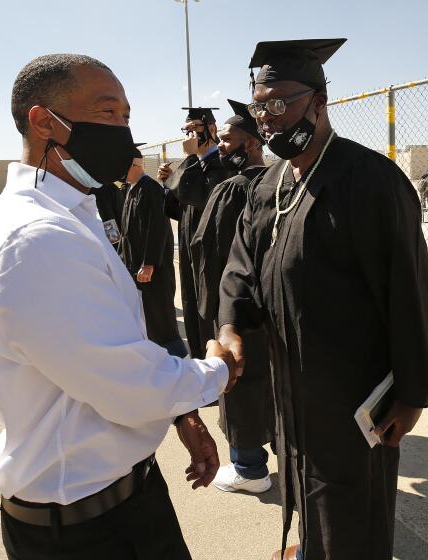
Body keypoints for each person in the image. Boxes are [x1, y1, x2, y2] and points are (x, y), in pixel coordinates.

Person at [0, 53, 241, 560]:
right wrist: (217, 371)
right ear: (44, 122)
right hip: (87, 531)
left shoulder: (64, 213)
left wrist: (180, 415)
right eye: (107, 113)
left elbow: (107, 352)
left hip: (113, 498)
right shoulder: (38, 238)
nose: (123, 131)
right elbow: (129, 387)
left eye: (127, 116)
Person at [218, 38, 428, 560]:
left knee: (350, 505)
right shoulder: (269, 184)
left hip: (353, 392)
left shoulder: (370, 181)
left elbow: (408, 291)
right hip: (292, 383)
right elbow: (241, 267)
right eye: (260, 107)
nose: (269, 118)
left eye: (280, 104)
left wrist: (412, 394)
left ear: (319, 101)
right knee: (302, 483)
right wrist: (230, 325)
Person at [190, 99, 275, 494]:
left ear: (252, 142)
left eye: (227, 139)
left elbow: (210, 252)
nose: (220, 146)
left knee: (240, 383)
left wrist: (215, 312)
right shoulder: (283, 180)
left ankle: (248, 468)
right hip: (276, 312)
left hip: (238, 313)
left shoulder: (234, 189)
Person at [159, 107, 232, 359]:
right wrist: (168, 185)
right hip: (191, 248)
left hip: (212, 253)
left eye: (194, 129)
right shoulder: (195, 165)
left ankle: (216, 364)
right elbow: (178, 210)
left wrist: (189, 160)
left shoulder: (221, 164)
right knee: (190, 305)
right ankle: (200, 362)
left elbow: (203, 198)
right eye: (186, 130)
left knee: (207, 308)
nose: (189, 136)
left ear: (211, 129)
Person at [118, 146, 186, 357]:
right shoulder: (132, 189)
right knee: (146, 316)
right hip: (135, 266)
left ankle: (176, 360)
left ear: (135, 166)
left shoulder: (150, 190)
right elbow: (127, 232)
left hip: (152, 269)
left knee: (159, 317)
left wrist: (149, 263)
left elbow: (158, 230)